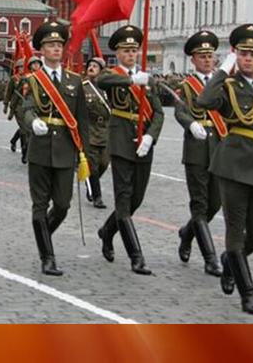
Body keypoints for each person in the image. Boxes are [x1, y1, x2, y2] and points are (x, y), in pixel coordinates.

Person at [196, 23, 253, 316]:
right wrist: (223, 71)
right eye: (243, 54)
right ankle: (249, 296)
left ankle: (231, 260)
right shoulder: (229, 87)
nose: (248, 59)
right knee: (236, 231)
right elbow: (204, 101)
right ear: (237, 56)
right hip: (233, 167)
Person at [96, 25, 165, 275]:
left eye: (134, 50)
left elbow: (158, 112)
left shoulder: (146, 79)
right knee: (124, 201)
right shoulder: (114, 75)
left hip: (143, 144)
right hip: (122, 142)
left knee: (135, 201)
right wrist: (130, 79)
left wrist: (150, 136)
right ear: (117, 53)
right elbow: (101, 80)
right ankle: (136, 256)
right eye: (126, 51)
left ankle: (107, 231)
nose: (130, 55)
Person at [22, 21, 88, 276]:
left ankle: (43, 235)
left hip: (65, 151)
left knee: (62, 204)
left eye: (59, 45)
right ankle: (47, 257)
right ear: (42, 50)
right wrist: (33, 122)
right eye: (51, 45)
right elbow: (26, 108)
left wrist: (85, 155)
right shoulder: (33, 80)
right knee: (40, 204)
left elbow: (82, 119)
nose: (56, 49)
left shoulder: (75, 81)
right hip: (40, 149)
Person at [174, 30, 223, 276]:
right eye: (201, 56)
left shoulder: (224, 84)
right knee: (200, 205)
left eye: (210, 55)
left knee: (215, 203)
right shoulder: (187, 85)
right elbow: (181, 111)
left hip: (220, 149)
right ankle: (211, 259)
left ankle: (187, 233)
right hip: (196, 149)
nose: (206, 60)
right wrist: (191, 124)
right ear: (193, 60)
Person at [82, 56, 110, 209]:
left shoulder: (107, 87)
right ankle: (97, 196)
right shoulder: (82, 87)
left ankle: (91, 185)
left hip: (106, 130)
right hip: (90, 130)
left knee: (104, 164)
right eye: (90, 65)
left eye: (95, 66)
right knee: (92, 166)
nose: (91, 68)